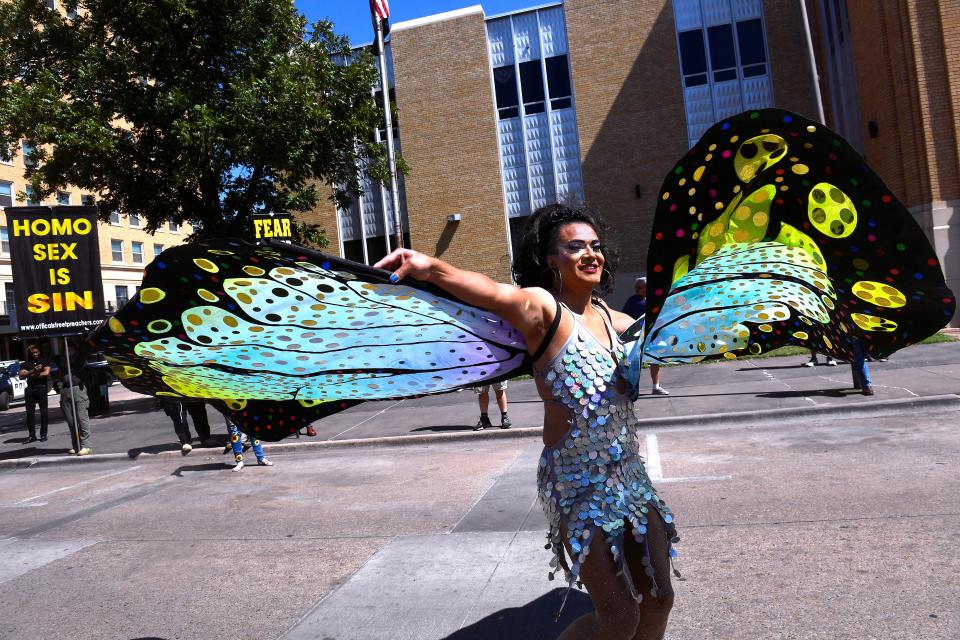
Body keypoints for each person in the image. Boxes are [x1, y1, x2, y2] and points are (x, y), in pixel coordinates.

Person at [376, 204, 678, 640]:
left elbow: (677, 340)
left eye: (595, 246)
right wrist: (431, 267)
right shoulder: (544, 310)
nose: (590, 254)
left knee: (659, 597)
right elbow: (494, 292)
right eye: (575, 247)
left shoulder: (623, 323)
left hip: (629, 475)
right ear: (551, 259)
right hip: (577, 482)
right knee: (618, 617)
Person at [621, 277, 669, 396]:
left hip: (652, 335)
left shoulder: (652, 300)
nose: (636, 289)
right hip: (637, 337)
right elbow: (625, 317)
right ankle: (631, 388)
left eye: (639, 287)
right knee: (633, 362)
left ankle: (656, 387)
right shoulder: (633, 301)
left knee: (655, 359)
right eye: (636, 287)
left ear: (647, 288)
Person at [58, 340, 92, 455]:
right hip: (66, 390)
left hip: (78, 389)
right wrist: (60, 387)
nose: (68, 349)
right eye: (65, 347)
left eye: (70, 346)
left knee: (82, 418)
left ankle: (86, 445)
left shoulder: (80, 358)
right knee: (71, 421)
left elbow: (85, 369)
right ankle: (76, 445)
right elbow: (59, 374)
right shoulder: (61, 360)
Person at [19, 343, 52, 443]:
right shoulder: (25, 363)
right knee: (30, 413)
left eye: (37, 352)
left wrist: (30, 374)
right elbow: (21, 376)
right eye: (33, 353)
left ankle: (43, 434)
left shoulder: (44, 361)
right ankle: (32, 435)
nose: (35, 354)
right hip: (30, 389)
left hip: (41, 388)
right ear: (30, 353)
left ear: (39, 352)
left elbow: (46, 372)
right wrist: (33, 370)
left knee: (44, 412)